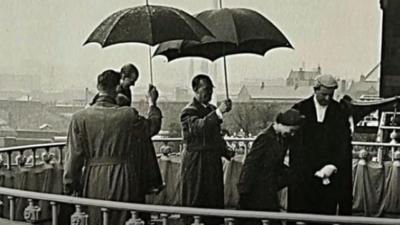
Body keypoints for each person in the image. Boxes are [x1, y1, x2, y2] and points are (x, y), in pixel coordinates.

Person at [63, 69, 163, 225]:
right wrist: (152, 103)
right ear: (117, 88)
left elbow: (73, 158)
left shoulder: (79, 118)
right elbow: (151, 128)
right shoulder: (128, 115)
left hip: (94, 179)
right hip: (124, 177)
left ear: (98, 86)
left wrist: (70, 185)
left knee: (97, 217)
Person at [287, 74, 352, 224]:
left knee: (325, 217)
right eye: (324, 95)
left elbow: (344, 145)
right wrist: (308, 169)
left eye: (331, 95)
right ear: (315, 90)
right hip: (304, 178)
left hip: (329, 178)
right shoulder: (300, 109)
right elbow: (296, 146)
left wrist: (332, 166)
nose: (328, 99)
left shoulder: (340, 112)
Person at [180, 74, 234, 225]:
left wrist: (225, 150)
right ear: (195, 89)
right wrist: (219, 112)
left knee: (213, 199)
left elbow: (215, 136)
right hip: (196, 164)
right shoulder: (188, 112)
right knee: (196, 199)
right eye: (206, 89)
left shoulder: (210, 109)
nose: (209, 93)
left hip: (212, 163)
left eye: (211, 89)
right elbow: (200, 127)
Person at [237, 109, 305, 225]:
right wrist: (244, 191)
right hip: (255, 190)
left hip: (269, 188)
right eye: (291, 130)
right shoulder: (264, 138)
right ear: (282, 124)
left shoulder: (283, 138)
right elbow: (250, 164)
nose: (293, 134)